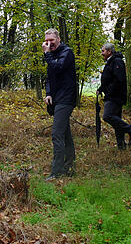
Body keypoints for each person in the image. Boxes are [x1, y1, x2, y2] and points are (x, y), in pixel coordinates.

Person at [43, 28, 77, 180]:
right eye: (47, 41)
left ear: (58, 39)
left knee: (57, 133)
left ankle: (57, 172)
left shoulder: (67, 52)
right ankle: (69, 166)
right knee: (65, 133)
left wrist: (47, 54)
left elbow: (59, 67)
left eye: (52, 40)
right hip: (56, 99)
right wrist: (48, 93)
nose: (49, 43)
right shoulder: (52, 55)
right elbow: (49, 77)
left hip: (66, 98)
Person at [97, 43, 131, 150]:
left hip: (115, 96)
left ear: (109, 51)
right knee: (117, 121)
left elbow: (119, 80)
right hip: (112, 95)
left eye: (103, 51)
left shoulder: (117, 62)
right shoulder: (111, 62)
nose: (102, 53)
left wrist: (109, 91)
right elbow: (108, 79)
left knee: (107, 116)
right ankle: (121, 146)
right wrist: (101, 89)